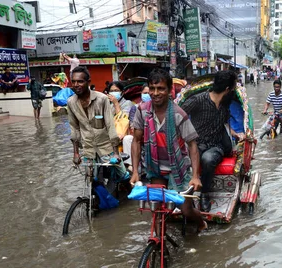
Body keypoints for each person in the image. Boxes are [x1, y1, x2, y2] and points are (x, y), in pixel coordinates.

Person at [130, 68, 206, 231]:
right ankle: (158, 244)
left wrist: (195, 176)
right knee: (157, 210)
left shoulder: (179, 114)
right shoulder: (142, 111)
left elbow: (192, 145)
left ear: (169, 89)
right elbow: (136, 140)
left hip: (178, 168)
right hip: (155, 167)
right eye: (152, 88)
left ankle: (201, 223)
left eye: (161, 89)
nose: (155, 93)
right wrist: (135, 171)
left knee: (185, 210)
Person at [181, 70, 237, 213]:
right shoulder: (198, 100)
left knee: (207, 159)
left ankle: (205, 195)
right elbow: (178, 115)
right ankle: (186, 195)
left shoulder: (224, 106)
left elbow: (225, 126)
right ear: (227, 89)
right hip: (196, 144)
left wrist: (239, 134)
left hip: (215, 146)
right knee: (191, 157)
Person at [67, 66, 128, 181]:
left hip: (106, 147)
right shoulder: (71, 102)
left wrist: (115, 153)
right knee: (90, 180)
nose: (76, 84)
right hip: (88, 148)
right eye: (73, 81)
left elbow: (110, 125)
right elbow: (74, 128)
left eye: (80, 81)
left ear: (88, 82)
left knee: (123, 176)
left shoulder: (102, 99)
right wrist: (76, 153)